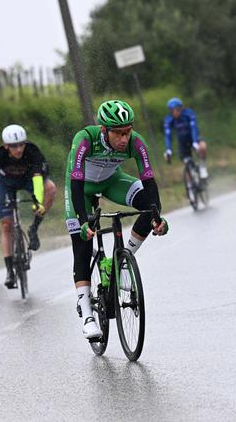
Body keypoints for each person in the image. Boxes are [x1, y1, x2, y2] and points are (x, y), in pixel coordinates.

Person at [65, 99, 169, 339]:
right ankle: (87, 312)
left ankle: (122, 262)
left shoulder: (136, 142)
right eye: (119, 133)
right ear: (104, 130)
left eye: (128, 131)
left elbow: (149, 181)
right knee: (82, 244)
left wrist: (156, 217)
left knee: (149, 206)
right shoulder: (85, 139)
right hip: (82, 188)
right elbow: (76, 182)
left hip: (113, 181)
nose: (124, 139)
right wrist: (83, 220)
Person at [0, 124, 57, 289]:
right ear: (5, 146)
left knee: (51, 188)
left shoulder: (32, 151)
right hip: (6, 185)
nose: (19, 149)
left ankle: (34, 228)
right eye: (14, 146)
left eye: (21, 144)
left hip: (28, 180)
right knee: (6, 224)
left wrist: (38, 203)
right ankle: (10, 270)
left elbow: (38, 180)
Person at [163, 97, 209, 181]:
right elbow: (168, 135)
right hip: (183, 142)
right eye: (172, 111)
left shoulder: (188, 113)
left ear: (180, 108)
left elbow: (194, 127)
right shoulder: (169, 119)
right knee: (187, 166)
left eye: (177, 110)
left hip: (194, 137)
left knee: (202, 147)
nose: (175, 113)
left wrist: (195, 142)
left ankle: (202, 166)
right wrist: (168, 149)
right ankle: (191, 188)